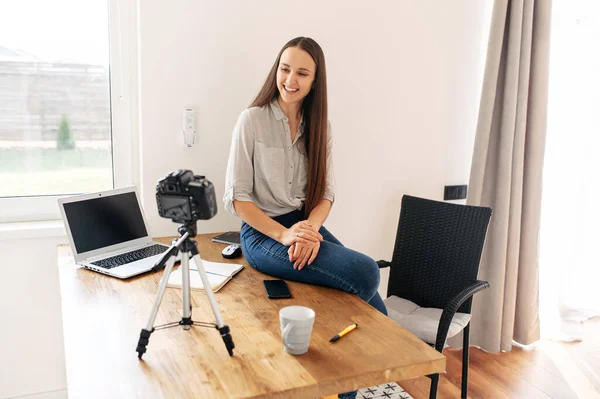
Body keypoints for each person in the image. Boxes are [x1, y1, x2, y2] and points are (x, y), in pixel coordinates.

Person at [223, 37, 387, 398]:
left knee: (378, 309)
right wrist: (286, 236)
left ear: (315, 80)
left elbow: (326, 193)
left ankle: (348, 386)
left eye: (302, 72)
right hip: (263, 233)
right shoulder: (251, 120)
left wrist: (309, 229)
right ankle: (351, 384)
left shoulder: (320, 126)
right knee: (366, 273)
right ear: (276, 71)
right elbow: (237, 199)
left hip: (306, 224)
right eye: (284, 69)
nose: (290, 79)